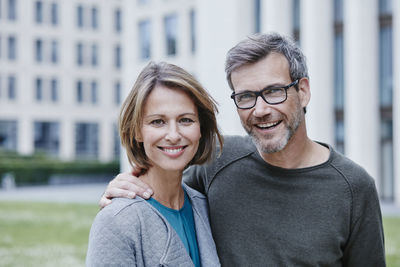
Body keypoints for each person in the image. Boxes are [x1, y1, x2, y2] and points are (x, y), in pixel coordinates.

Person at [100, 33, 386, 266]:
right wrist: (126, 186)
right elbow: (165, 196)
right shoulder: (219, 160)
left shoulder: (353, 188)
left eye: (274, 91)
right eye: (246, 96)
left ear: (303, 91)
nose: (260, 110)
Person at [86, 61, 222, 266]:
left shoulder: (204, 206)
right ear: (137, 131)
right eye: (158, 121)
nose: (174, 135)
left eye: (186, 120)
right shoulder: (117, 220)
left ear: (201, 128)